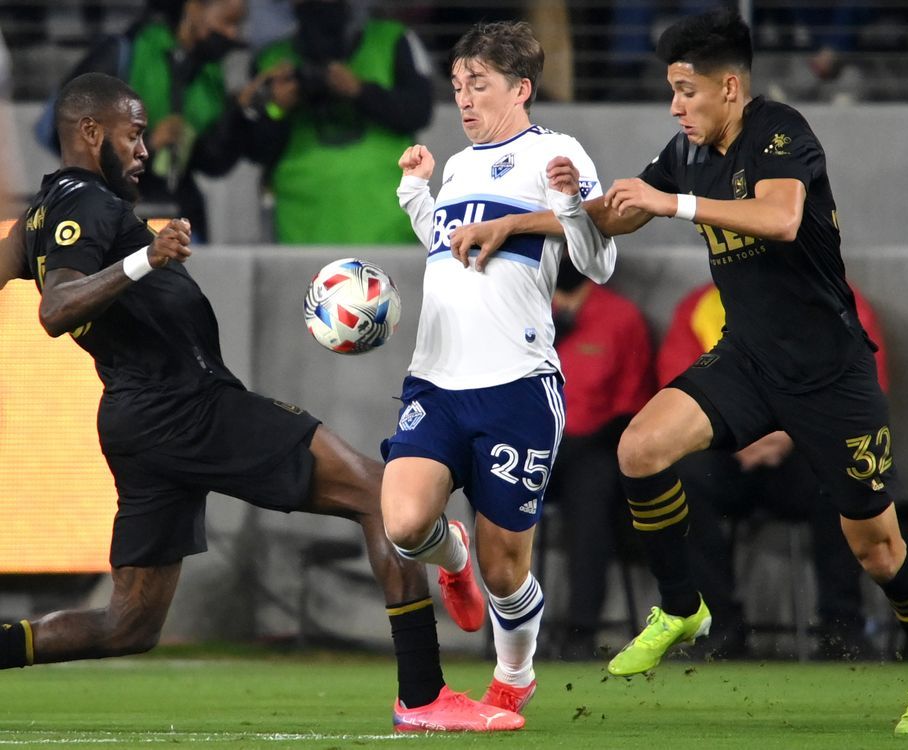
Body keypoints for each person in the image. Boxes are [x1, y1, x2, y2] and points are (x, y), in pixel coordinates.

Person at [448, 8, 908, 735]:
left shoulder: (780, 130)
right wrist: (520, 223)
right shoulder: (685, 151)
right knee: (639, 449)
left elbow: (781, 218)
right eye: (670, 89)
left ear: (729, 87)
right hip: (749, 360)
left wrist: (676, 204)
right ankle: (684, 606)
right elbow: (613, 214)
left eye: (686, 90)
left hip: (828, 373)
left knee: (877, 548)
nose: (675, 106)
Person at [0, 72, 522, 734]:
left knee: (127, 625)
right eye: (133, 136)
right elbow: (54, 309)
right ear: (89, 131)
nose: (143, 151)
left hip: (138, 420)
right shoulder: (85, 208)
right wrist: (147, 259)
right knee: (380, 496)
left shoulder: (46, 212)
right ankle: (422, 695)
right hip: (187, 407)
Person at [380, 21, 617, 720]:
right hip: (436, 380)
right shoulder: (456, 165)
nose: (464, 97)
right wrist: (418, 195)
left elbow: (601, 262)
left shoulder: (557, 153)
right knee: (401, 523)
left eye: (478, 83)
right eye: (457, 85)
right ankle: (450, 560)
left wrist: (571, 205)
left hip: (516, 385)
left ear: (520, 88)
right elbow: (452, 248)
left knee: (508, 567)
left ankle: (514, 675)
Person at [662, 281, 889, 660]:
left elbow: (865, 386)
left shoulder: (838, 299)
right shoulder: (700, 306)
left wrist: (787, 432)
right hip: (726, 448)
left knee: (844, 474)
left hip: (804, 446)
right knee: (683, 481)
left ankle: (842, 628)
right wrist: (736, 431)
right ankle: (719, 627)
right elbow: (677, 391)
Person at [36, 0, 255, 242]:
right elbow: (67, 132)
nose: (233, 33)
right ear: (193, 8)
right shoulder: (129, 51)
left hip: (175, 215)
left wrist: (238, 112)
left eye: (239, 24)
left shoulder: (210, 74)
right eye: (227, 21)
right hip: (109, 217)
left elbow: (212, 162)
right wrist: (145, 143)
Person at [243, 0, 434, 244]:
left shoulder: (393, 40)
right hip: (301, 233)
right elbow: (254, 149)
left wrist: (360, 91)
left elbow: (420, 111)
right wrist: (276, 107)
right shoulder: (273, 59)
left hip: (389, 230)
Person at [545, 253, 655, 659]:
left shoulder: (621, 317)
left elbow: (631, 407)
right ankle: (504, 630)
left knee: (593, 491)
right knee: (481, 482)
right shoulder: (524, 309)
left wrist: (580, 443)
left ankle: (581, 630)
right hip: (531, 445)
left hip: (591, 449)